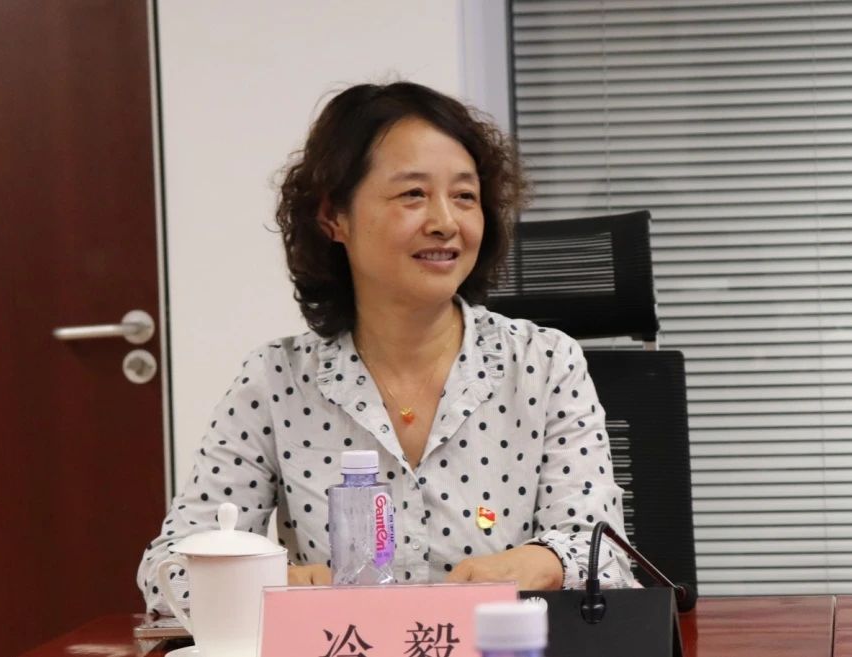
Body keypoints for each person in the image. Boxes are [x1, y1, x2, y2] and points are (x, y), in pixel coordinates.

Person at [138, 81, 634, 613]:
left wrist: (547, 562)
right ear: (334, 217)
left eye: (465, 196)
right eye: (413, 194)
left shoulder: (546, 363)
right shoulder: (276, 379)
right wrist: (270, 583)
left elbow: (607, 558)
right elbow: (168, 570)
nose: (445, 222)